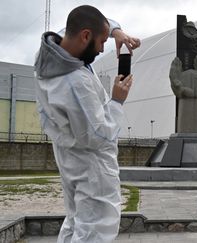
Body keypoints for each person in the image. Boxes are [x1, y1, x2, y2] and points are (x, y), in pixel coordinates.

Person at [34, 5, 140, 242]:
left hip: (69, 154)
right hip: (90, 166)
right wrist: (117, 101)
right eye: (102, 41)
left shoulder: (54, 52)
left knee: (76, 220)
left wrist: (117, 33)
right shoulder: (74, 83)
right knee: (95, 227)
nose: (103, 48)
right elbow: (98, 136)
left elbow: (86, 21)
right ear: (85, 36)